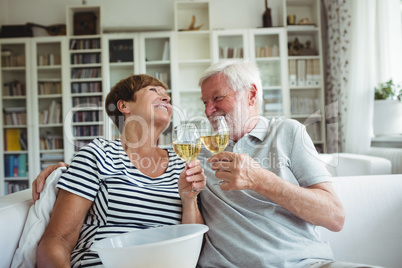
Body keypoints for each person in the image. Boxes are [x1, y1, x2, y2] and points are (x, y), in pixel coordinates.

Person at [34, 61, 377, 267]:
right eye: (204, 102)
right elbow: (60, 237)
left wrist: (260, 179)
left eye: (218, 99)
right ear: (124, 107)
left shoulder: (283, 133)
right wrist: (62, 170)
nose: (209, 110)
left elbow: (335, 216)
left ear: (251, 95)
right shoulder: (192, 153)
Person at [36, 74, 206, 267]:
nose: (166, 98)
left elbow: (192, 242)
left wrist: (189, 199)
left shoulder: (181, 163)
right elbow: (58, 240)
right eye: (154, 91)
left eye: (166, 95)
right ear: (124, 106)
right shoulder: (98, 154)